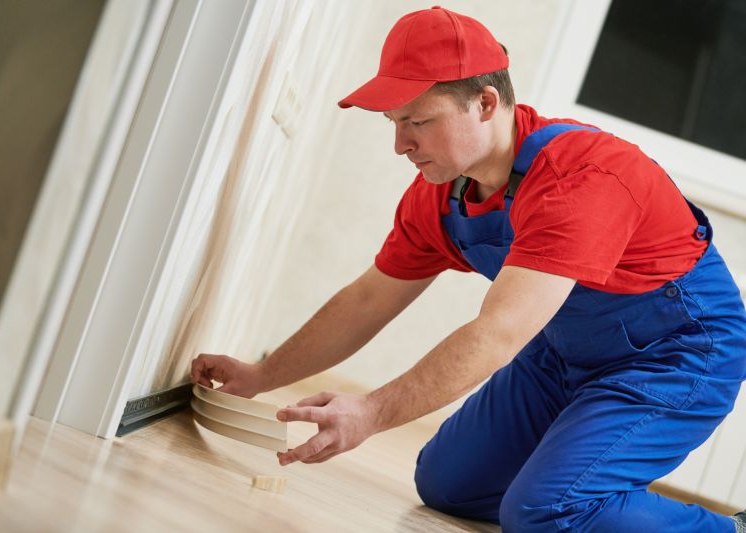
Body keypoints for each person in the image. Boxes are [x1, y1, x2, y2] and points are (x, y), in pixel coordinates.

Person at [191, 6, 746, 532]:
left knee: (544, 513)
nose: (400, 144)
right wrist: (262, 377)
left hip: (676, 356)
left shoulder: (581, 179)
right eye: (393, 122)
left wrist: (370, 411)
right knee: (445, 483)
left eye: (417, 122)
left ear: (484, 103)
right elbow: (369, 299)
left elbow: (498, 333)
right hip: (562, 352)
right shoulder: (441, 195)